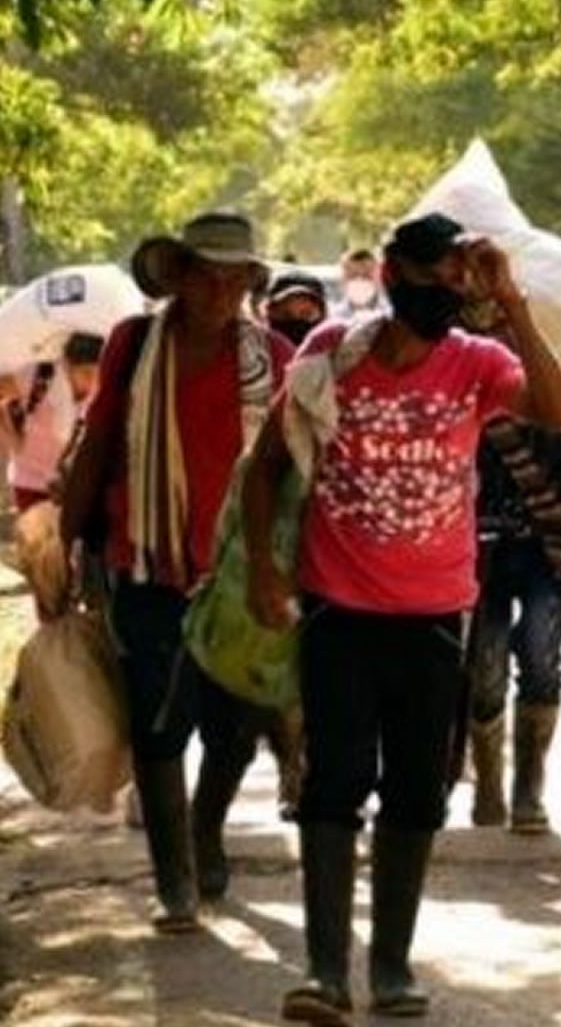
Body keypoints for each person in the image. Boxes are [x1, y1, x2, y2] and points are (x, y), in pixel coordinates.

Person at [244, 213, 561, 1022]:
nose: (447, 296)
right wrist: (262, 565)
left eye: (460, 282)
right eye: (434, 279)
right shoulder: (334, 353)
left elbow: (560, 414)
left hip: (434, 618)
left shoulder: (477, 362)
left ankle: (390, 967)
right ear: (392, 276)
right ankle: (326, 972)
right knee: (332, 786)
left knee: (418, 792)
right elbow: (266, 467)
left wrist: (513, 302)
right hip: (337, 610)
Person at [59, 212, 296, 933]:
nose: (221, 290)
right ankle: (175, 883)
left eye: (236, 277)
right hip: (145, 564)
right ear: (179, 276)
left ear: (252, 283)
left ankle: (205, 830)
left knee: (233, 730)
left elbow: (292, 473)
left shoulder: (276, 358)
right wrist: (66, 547)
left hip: (235, 576)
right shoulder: (135, 344)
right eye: (207, 273)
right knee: (160, 726)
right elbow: (98, 444)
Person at [464, 325, 561, 834]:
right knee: (485, 664)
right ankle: (489, 783)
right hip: (480, 549)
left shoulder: (555, 388)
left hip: (547, 546)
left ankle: (528, 787)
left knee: (542, 657)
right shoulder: (465, 386)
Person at [1, 333, 101, 512]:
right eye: (86, 373)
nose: (92, 380)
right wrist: (12, 438)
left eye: (97, 373)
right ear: (68, 365)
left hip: (74, 484)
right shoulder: (37, 375)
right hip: (30, 481)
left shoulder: (100, 387)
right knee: (37, 538)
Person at [265, 272, 329, 348]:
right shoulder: (255, 347)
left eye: (306, 314)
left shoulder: (336, 350)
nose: (297, 320)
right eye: (286, 315)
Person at [339, 248, 380, 316]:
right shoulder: (332, 316)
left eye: (366, 276)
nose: (359, 281)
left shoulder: (392, 314)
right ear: (343, 279)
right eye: (353, 276)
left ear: (378, 278)